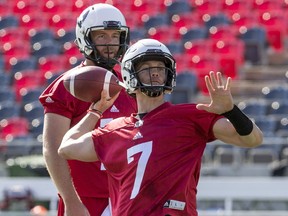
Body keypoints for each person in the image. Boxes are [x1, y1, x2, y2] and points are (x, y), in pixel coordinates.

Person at [58, 39, 263, 216]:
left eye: (160, 68)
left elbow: (252, 139)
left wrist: (231, 110)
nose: (155, 73)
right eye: (147, 68)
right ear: (130, 75)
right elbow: (66, 148)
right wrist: (95, 111)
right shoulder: (114, 130)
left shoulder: (189, 116)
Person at [39, 3, 137, 216]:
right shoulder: (66, 86)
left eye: (115, 36)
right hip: (85, 200)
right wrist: (71, 200)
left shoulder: (129, 87)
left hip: (125, 198)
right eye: (101, 36)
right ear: (85, 39)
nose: (110, 43)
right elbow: (52, 149)